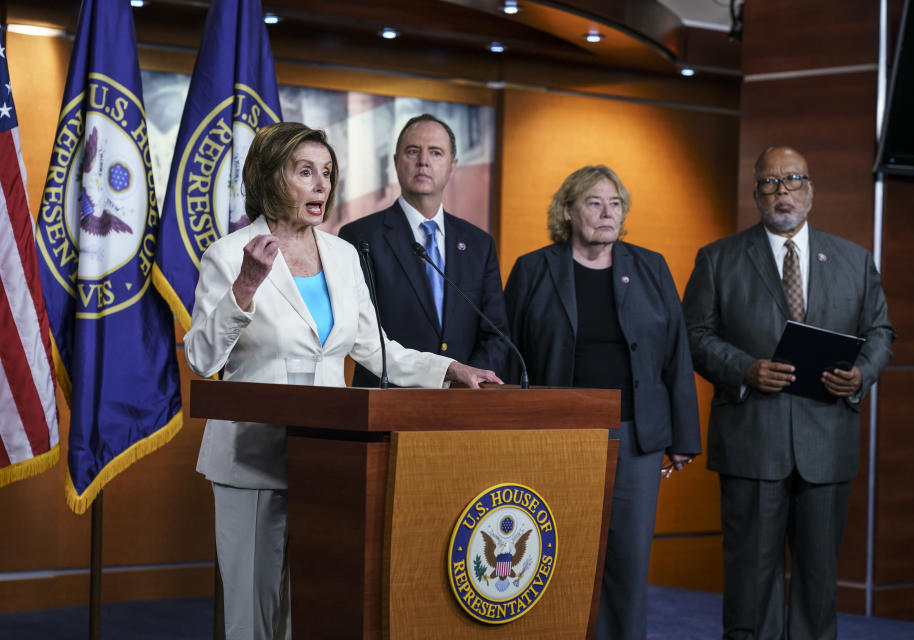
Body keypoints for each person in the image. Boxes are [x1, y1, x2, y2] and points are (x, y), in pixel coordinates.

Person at [183, 122, 500, 640]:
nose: (320, 185)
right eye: (305, 172)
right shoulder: (230, 254)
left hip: (328, 461)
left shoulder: (343, 255)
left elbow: (376, 350)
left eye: (326, 173)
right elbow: (200, 358)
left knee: (315, 606)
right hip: (253, 459)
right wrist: (244, 288)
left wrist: (449, 370)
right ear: (270, 176)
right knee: (255, 617)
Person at [682, 146, 895, 640]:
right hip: (752, 441)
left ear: (810, 189)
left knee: (818, 589)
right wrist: (744, 368)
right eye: (769, 183)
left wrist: (862, 374)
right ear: (756, 192)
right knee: (750, 588)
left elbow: (882, 332)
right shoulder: (718, 258)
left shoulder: (855, 260)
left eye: (792, 179)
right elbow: (693, 337)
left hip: (827, 443)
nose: (782, 192)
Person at [502, 165, 701, 640]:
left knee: (627, 563)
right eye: (594, 203)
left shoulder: (650, 267)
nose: (607, 212)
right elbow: (508, 356)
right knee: (557, 555)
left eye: (615, 203)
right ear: (568, 211)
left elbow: (676, 353)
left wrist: (682, 438)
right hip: (557, 436)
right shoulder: (534, 269)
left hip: (636, 435)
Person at [338, 114, 509, 386]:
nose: (423, 161)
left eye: (436, 152)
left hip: (466, 401)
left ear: (453, 166)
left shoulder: (479, 243)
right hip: (388, 400)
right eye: (413, 151)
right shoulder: (359, 237)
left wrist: (467, 383)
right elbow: (364, 335)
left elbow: (496, 332)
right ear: (395, 162)